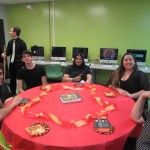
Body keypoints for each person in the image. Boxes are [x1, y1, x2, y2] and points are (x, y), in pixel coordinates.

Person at [1, 27, 27, 96]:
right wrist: (5, 54)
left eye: (11, 31)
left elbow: (24, 55)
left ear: (15, 33)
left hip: (19, 64)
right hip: (12, 64)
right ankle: (13, 94)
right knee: (12, 79)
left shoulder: (22, 43)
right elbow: (8, 52)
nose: (10, 32)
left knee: (19, 80)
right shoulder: (10, 42)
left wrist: (24, 64)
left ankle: (20, 93)